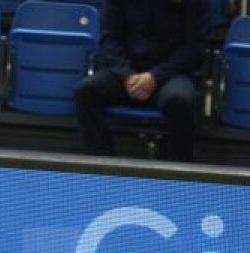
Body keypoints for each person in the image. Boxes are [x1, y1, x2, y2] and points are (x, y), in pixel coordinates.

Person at [72, 0, 209, 162]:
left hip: (172, 74)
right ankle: (101, 165)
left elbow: (194, 48)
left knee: (179, 100)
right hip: (127, 74)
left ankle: (178, 168)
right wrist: (127, 75)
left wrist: (154, 76)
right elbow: (109, 40)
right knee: (86, 91)